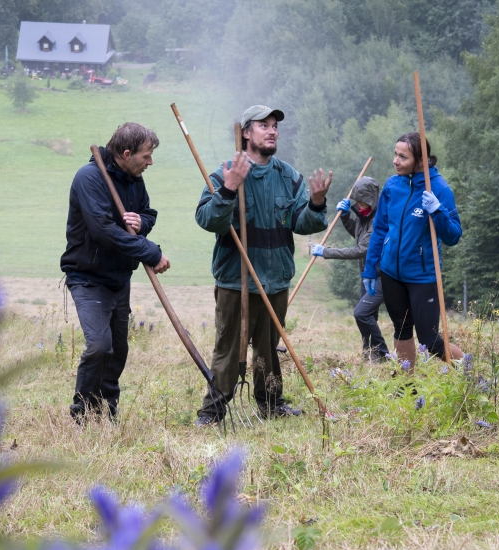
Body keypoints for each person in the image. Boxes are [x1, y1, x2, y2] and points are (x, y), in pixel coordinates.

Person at [194, 105, 332, 425]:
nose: (272, 131)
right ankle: (212, 411)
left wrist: (316, 202)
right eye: (263, 126)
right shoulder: (225, 172)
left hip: (276, 279)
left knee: (268, 348)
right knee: (229, 348)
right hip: (235, 279)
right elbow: (207, 220)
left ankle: (270, 403)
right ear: (246, 133)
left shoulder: (288, 176)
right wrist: (229, 188)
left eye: (275, 126)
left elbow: (303, 222)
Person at [60, 122, 171, 422]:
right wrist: (151, 251)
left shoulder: (134, 180)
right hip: (88, 277)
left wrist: (140, 223)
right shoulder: (89, 178)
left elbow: (148, 214)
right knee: (99, 346)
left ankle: (106, 410)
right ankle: (81, 412)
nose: (150, 162)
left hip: (119, 277)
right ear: (126, 152)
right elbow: (103, 231)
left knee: (117, 350)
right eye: (146, 156)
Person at [361, 133, 463, 368]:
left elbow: (453, 236)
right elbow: (380, 229)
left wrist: (437, 211)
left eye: (402, 157)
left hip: (422, 276)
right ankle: (406, 387)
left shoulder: (438, 188)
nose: (395, 161)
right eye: (395, 154)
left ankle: (471, 373)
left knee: (430, 339)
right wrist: (370, 268)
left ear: (420, 161)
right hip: (390, 273)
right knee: (401, 329)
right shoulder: (392, 185)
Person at [310, 175, 389, 362]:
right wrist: (345, 216)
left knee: (360, 313)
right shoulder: (364, 215)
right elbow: (357, 233)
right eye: (357, 202)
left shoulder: (378, 219)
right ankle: (370, 354)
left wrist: (326, 252)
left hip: (382, 276)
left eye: (363, 203)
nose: (360, 207)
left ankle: (383, 352)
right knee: (369, 317)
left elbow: (361, 249)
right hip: (366, 275)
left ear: (372, 200)